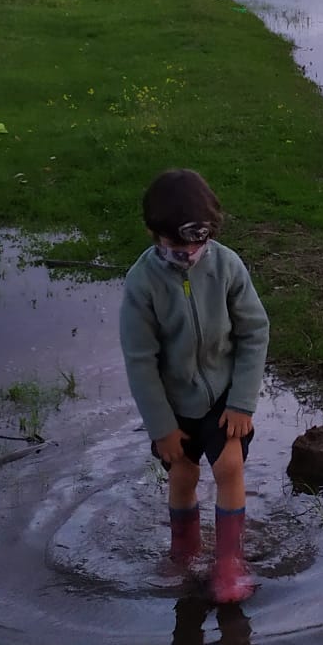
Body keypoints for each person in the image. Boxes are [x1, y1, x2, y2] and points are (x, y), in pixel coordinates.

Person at [120, 169, 270, 602]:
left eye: (196, 245)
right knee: (183, 475)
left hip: (225, 399)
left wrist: (242, 402)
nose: (188, 254)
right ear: (153, 233)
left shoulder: (226, 265)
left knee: (229, 468)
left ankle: (229, 561)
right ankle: (184, 549)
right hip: (173, 406)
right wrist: (161, 427)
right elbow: (140, 361)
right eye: (176, 245)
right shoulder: (142, 284)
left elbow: (254, 331)